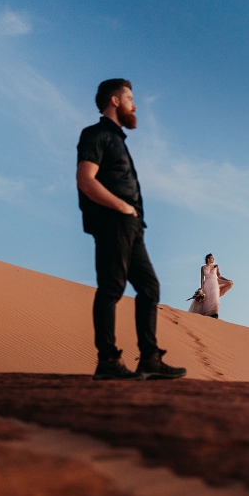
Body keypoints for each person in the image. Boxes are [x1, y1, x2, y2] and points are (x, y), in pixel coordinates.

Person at [76, 78, 187, 381]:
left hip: (132, 225)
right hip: (113, 221)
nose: (134, 105)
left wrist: (132, 214)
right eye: (129, 98)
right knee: (112, 287)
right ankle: (107, 361)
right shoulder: (97, 134)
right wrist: (122, 207)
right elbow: (85, 180)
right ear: (114, 101)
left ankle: (149, 359)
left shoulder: (118, 139)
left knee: (149, 288)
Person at [188, 254, 233, 319]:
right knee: (208, 299)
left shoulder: (216, 266)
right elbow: (202, 279)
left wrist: (227, 280)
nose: (213, 259)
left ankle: (215, 314)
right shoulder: (203, 267)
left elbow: (219, 276)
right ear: (208, 259)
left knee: (214, 298)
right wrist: (202, 288)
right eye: (212, 258)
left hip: (214, 283)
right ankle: (207, 314)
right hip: (207, 284)